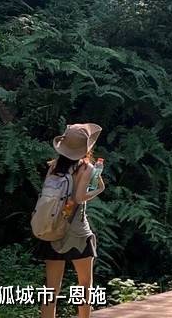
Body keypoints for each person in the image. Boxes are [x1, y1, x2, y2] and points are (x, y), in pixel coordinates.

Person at [39, 123, 105, 318]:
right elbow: (80, 197)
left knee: (51, 289)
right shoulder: (87, 168)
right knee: (85, 284)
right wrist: (99, 188)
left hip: (52, 228)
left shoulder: (53, 167)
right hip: (77, 232)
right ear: (86, 148)